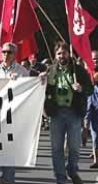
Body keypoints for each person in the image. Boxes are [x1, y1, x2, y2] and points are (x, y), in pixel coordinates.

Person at [45, 41, 91, 184]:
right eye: (58, 53)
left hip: (74, 112)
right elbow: (43, 89)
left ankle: (72, 169)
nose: (61, 56)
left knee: (74, 147)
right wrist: (41, 79)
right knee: (56, 148)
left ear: (69, 54)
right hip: (56, 113)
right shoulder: (50, 70)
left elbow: (89, 88)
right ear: (55, 55)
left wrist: (81, 88)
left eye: (64, 53)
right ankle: (60, 177)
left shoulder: (78, 70)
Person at [0, 42, 29, 184]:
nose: (6, 54)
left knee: (10, 146)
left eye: (9, 52)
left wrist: (17, 83)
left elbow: (29, 90)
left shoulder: (22, 71)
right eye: (4, 52)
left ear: (15, 54)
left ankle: (8, 178)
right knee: (1, 146)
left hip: (14, 113)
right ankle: (5, 174)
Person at [85, 72, 98, 169]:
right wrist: (86, 122)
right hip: (95, 118)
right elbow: (89, 107)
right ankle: (96, 160)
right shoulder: (92, 91)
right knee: (95, 140)